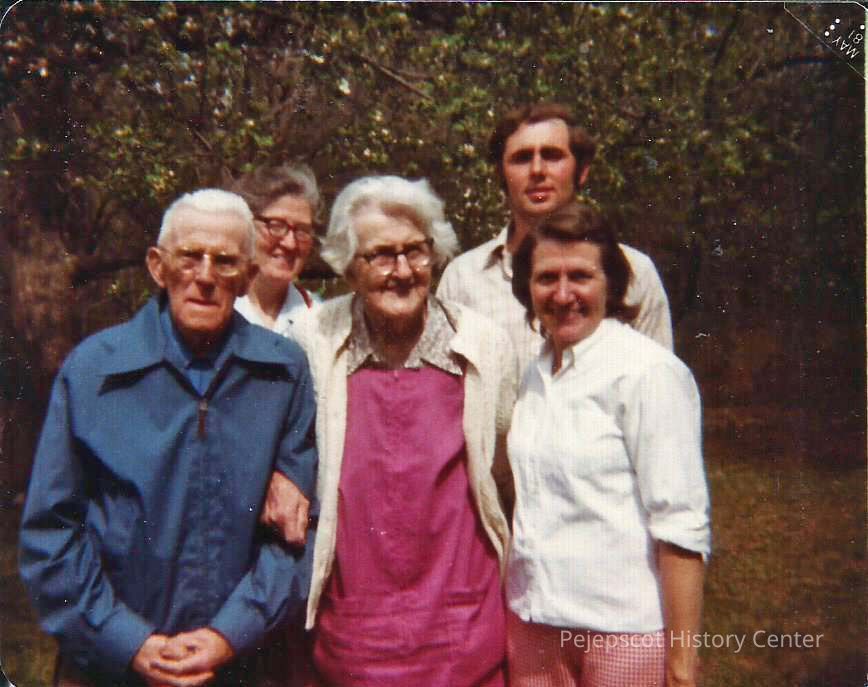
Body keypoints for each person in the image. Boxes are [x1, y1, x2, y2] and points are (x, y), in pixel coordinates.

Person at [19, 189, 318, 687]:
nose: (205, 276)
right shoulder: (94, 371)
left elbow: (297, 535)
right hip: (108, 667)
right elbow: (51, 532)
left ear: (248, 276)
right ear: (158, 267)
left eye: (225, 262)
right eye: (190, 257)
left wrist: (229, 633)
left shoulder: (282, 373)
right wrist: (125, 640)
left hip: (236, 665)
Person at [284, 175, 516, 686]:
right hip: (354, 632)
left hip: (462, 627)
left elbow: (505, 472)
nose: (404, 271)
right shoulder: (311, 341)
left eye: (415, 250)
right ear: (349, 266)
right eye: (382, 256)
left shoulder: (483, 345)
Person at [506, 202, 710, 687]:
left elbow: (681, 526)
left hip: (620, 632)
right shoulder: (536, 374)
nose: (563, 295)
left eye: (580, 276)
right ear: (527, 287)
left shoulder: (647, 373)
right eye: (546, 278)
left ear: (612, 285)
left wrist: (682, 668)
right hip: (533, 624)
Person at [438, 101, 673, 374]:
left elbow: (658, 382)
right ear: (501, 174)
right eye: (522, 158)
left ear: (581, 171)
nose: (537, 170)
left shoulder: (634, 272)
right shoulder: (462, 279)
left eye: (552, 156)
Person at [230, 163, 321, 338]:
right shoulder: (217, 310)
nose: (290, 243)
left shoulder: (319, 321)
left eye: (302, 230)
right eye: (276, 226)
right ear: (245, 225)